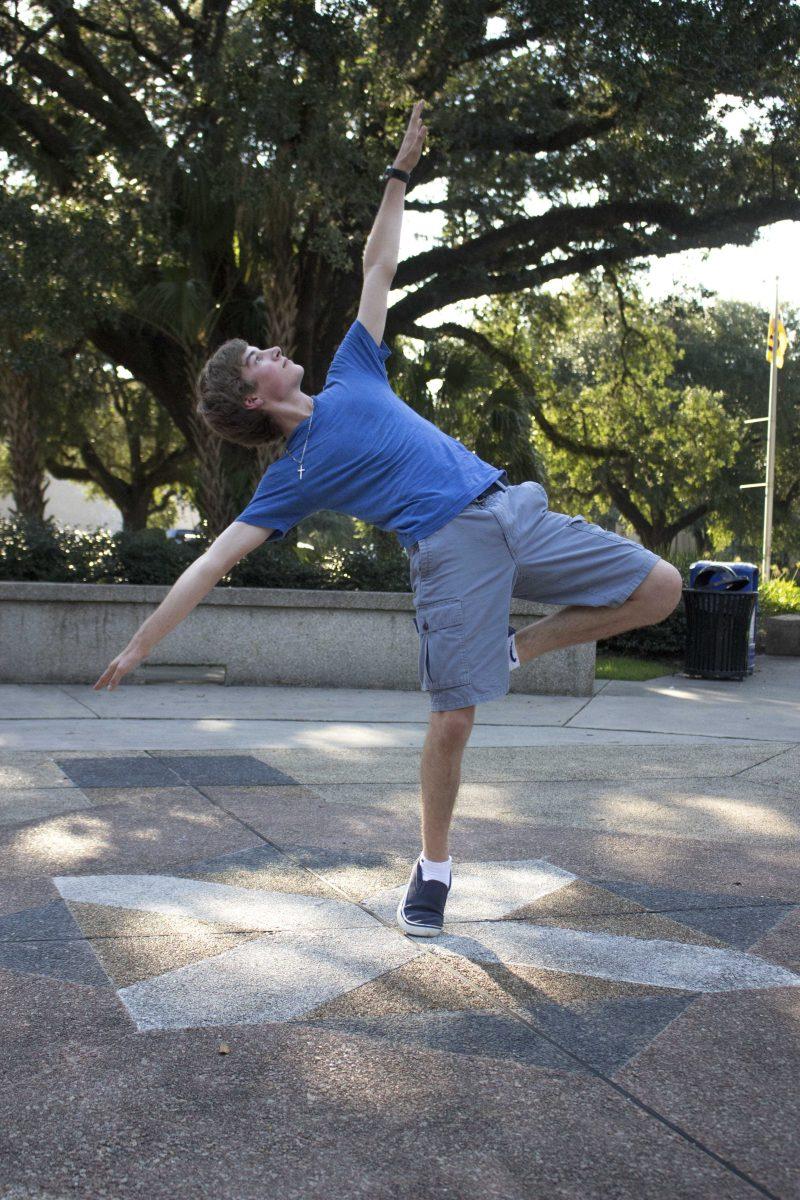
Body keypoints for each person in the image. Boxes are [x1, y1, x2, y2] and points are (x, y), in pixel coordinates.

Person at [94, 100, 682, 938]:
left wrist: (399, 172)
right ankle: (433, 869)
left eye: (259, 346)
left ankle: (520, 647)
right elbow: (212, 562)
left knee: (660, 588)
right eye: (257, 357)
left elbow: (378, 266)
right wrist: (139, 644)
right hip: (449, 551)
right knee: (453, 718)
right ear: (255, 397)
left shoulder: (353, 370)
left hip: (510, 506)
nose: (270, 348)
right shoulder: (292, 475)